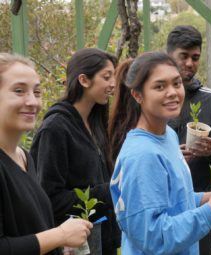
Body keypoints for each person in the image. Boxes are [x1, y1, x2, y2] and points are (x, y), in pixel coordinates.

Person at [108, 51, 211, 255]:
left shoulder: (167, 135)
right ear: (137, 95)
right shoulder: (142, 155)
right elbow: (154, 237)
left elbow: (174, 200)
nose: (173, 92)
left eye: (176, 83)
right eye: (160, 86)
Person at [30, 48, 121, 255]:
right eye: (106, 77)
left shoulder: (96, 123)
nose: (113, 84)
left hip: (103, 239)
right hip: (73, 246)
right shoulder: (55, 129)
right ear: (84, 80)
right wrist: (109, 190)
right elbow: (49, 199)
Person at [0, 53, 92, 255]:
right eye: (19, 91)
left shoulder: (24, 157)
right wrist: (59, 235)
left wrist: (56, 245)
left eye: (37, 92)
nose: (32, 102)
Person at [166, 25, 211, 254]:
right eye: (183, 56)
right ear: (169, 56)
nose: (189, 63)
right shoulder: (153, 99)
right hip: (165, 200)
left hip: (202, 200)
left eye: (195, 58)